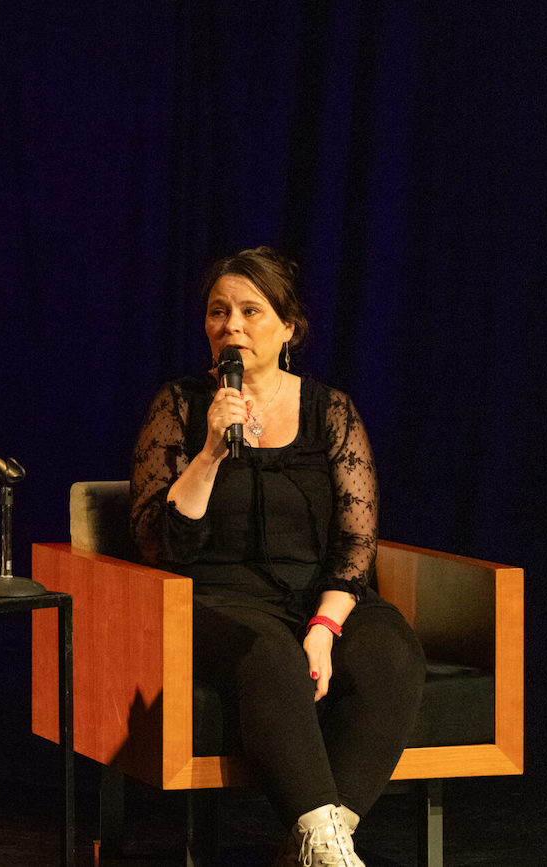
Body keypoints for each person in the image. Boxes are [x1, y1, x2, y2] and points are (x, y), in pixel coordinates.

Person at [129, 247, 425, 867]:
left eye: (250, 311)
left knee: (390, 649)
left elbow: (356, 542)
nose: (231, 326)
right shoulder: (179, 406)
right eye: (218, 312)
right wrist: (210, 452)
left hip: (314, 596)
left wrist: (324, 626)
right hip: (212, 601)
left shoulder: (332, 411)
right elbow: (160, 546)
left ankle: (317, 844)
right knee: (265, 652)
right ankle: (327, 850)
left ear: (288, 328)